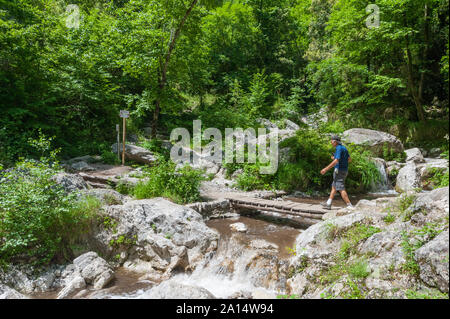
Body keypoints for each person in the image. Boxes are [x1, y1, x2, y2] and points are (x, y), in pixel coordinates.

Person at [320, 135, 353, 210]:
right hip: (344, 170)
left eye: (331, 141)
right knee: (334, 187)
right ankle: (328, 203)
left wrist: (325, 169)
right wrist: (337, 158)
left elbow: (336, 161)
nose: (331, 142)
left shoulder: (338, 148)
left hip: (339, 171)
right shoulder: (344, 148)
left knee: (341, 188)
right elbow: (349, 159)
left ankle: (350, 206)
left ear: (335, 141)